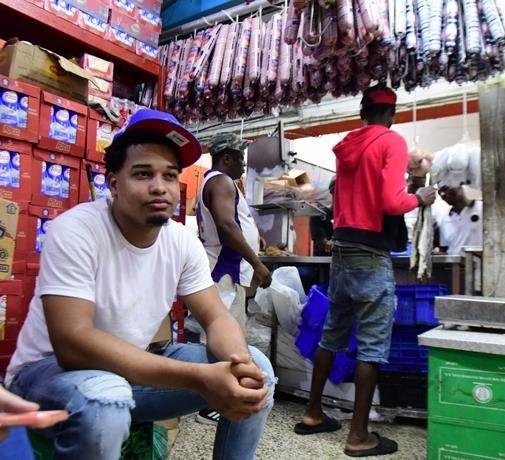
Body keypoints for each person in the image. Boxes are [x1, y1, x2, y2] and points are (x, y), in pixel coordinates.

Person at [5, 109, 275, 460]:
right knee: (106, 399)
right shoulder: (75, 230)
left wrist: (238, 363)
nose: (159, 186)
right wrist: (199, 377)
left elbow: (216, 317)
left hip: (127, 371)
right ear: (114, 183)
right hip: (48, 375)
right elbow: (73, 343)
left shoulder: (181, 240)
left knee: (259, 372)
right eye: (143, 174)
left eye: (169, 175)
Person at [294, 84, 436, 457]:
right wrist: (419, 197)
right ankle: (359, 435)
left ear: (363, 113)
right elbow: (392, 201)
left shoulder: (347, 145)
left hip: (342, 252)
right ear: (391, 114)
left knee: (331, 336)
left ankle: (313, 413)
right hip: (371, 255)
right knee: (372, 345)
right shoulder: (391, 141)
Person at [195, 132, 272, 425]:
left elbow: (232, 223)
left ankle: (214, 399)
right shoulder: (221, 182)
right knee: (223, 340)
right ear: (226, 158)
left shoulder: (215, 182)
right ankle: (211, 404)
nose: (243, 165)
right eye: (241, 159)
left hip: (224, 272)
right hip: (224, 272)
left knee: (225, 336)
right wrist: (258, 264)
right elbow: (227, 226)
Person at [310, 176, 335, 256]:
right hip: (323, 262)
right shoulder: (319, 214)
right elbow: (322, 244)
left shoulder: (350, 218)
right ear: (332, 193)